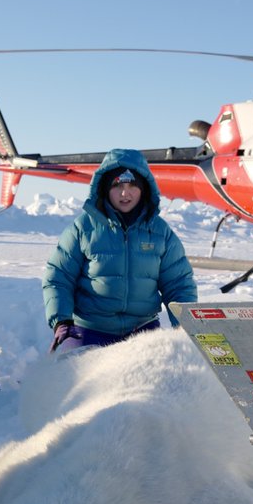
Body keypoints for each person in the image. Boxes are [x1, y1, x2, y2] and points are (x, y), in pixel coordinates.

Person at [43, 148, 196, 353]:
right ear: (105, 188)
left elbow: (178, 283)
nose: (126, 193)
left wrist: (184, 325)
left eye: (133, 184)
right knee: (66, 380)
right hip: (89, 330)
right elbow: (58, 277)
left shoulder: (160, 232)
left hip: (143, 331)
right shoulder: (83, 229)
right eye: (117, 185)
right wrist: (61, 320)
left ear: (144, 189)